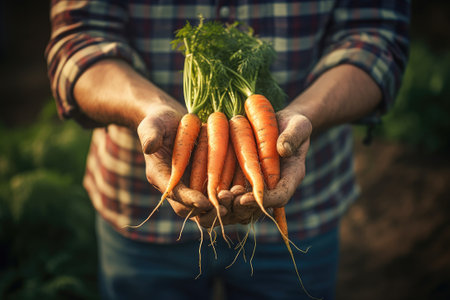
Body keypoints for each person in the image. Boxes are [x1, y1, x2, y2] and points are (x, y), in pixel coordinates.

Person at [46, 1, 410, 299]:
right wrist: (149, 111)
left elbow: (377, 35)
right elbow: (78, 40)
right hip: (139, 211)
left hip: (304, 207)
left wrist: (304, 115)